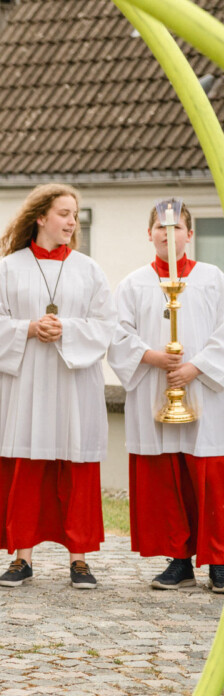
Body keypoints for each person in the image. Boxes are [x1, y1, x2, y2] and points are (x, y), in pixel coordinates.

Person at [0, 184, 115, 590]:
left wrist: (66, 329)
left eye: (74, 214)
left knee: (75, 468)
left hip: (73, 386)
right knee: (27, 468)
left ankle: (80, 558)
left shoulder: (89, 270)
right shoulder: (9, 269)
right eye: (64, 213)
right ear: (40, 217)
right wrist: (29, 328)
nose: (72, 222)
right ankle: (23, 556)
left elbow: (106, 325)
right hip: (28, 385)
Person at [107, 200, 224, 593]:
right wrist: (153, 357)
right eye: (160, 227)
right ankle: (179, 560)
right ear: (149, 234)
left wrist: (197, 367)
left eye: (176, 228)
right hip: (155, 389)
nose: (167, 234)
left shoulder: (213, 278)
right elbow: (118, 335)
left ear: (189, 235)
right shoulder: (133, 284)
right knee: (167, 478)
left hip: (205, 391)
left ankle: (219, 559)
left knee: (208, 478)